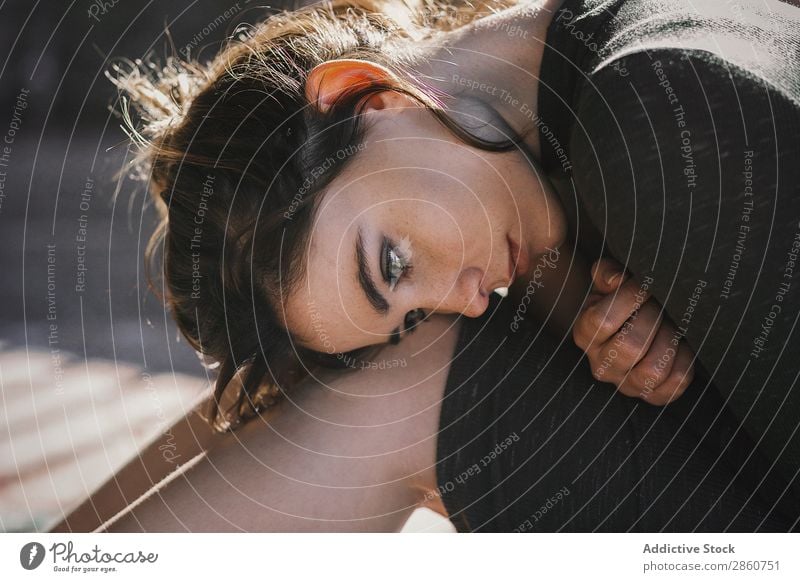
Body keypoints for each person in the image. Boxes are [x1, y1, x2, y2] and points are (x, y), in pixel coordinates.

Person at [53, 0, 799, 531]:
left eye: (394, 260)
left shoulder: (658, 132)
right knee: (356, 371)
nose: (468, 303)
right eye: (410, 306)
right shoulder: (583, 88)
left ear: (359, 93)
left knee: (402, 392)